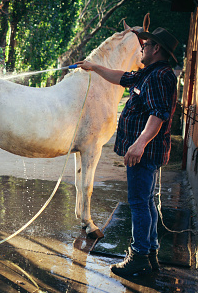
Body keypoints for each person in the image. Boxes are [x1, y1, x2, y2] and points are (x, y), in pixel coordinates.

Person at [76, 27, 179, 277]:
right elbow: (121, 77)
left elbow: (158, 114)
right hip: (145, 153)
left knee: (139, 204)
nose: (141, 48)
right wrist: (94, 67)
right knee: (147, 202)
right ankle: (150, 252)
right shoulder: (150, 74)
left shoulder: (157, 77)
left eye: (146, 44)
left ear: (156, 49)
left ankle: (139, 256)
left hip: (143, 154)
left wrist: (140, 143)